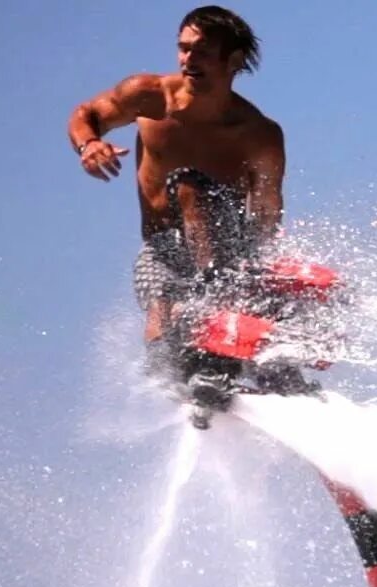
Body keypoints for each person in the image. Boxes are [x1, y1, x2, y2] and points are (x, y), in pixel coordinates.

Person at [66, 6, 284, 366]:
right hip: (162, 246)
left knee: (188, 183)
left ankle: (235, 311)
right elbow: (86, 114)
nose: (189, 59)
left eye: (202, 51)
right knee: (159, 316)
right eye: (184, 48)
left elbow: (267, 213)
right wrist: (89, 144)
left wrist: (264, 270)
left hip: (230, 251)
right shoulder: (149, 97)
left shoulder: (259, 135)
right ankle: (186, 384)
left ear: (234, 60)